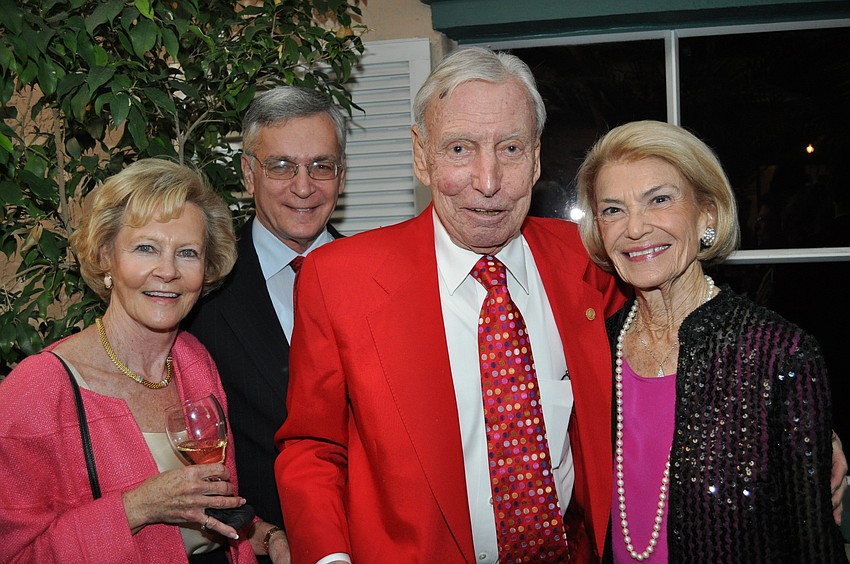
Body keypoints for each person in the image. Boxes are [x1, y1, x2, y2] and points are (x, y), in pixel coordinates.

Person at [274, 46, 626, 564]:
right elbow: (312, 447)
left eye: (509, 148)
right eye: (460, 149)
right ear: (422, 155)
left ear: (535, 157)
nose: (488, 182)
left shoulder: (589, 259)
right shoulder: (339, 279)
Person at [575, 120, 848, 562]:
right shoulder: (592, 349)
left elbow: (814, 545)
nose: (636, 228)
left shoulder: (779, 353)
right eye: (613, 210)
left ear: (707, 214)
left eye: (659, 200)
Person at [0, 159, 281, 562]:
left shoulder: (193, 361)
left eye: (187, 253)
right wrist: (135, 507)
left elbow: (208, 520)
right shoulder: (37, 391)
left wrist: (269, 537)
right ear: (105, 256)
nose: (167, 272)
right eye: (146, 248)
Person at [185, 86, 346, 561]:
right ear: (248, 173)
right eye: (281, 166)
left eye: (321, 165)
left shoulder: (383, 279)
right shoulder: (200, 286)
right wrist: (258, 532)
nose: (303, 186)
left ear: (341, 174)